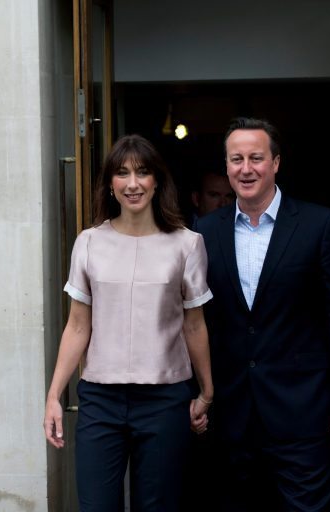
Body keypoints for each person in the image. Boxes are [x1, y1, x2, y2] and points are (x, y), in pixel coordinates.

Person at [195, 117, 330, 511]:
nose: (246, 168)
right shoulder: (203, 232)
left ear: (275, 163)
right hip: (231, 414)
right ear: (226, 166)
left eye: (256, 158)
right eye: (236, 159)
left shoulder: (319, 225)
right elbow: (195, 320)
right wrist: (197, 394)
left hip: (303, 410)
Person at [43, 134, 214, 512]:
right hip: (100, 398)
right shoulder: (89, 242)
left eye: (142, 172)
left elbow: (194, 325)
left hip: (165, 399)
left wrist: (206, 392)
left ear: (157, 181)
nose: (132, 183)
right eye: (122, 173)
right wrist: (54, 395)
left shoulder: (187, 244)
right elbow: (77, 326)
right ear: (110, 183)